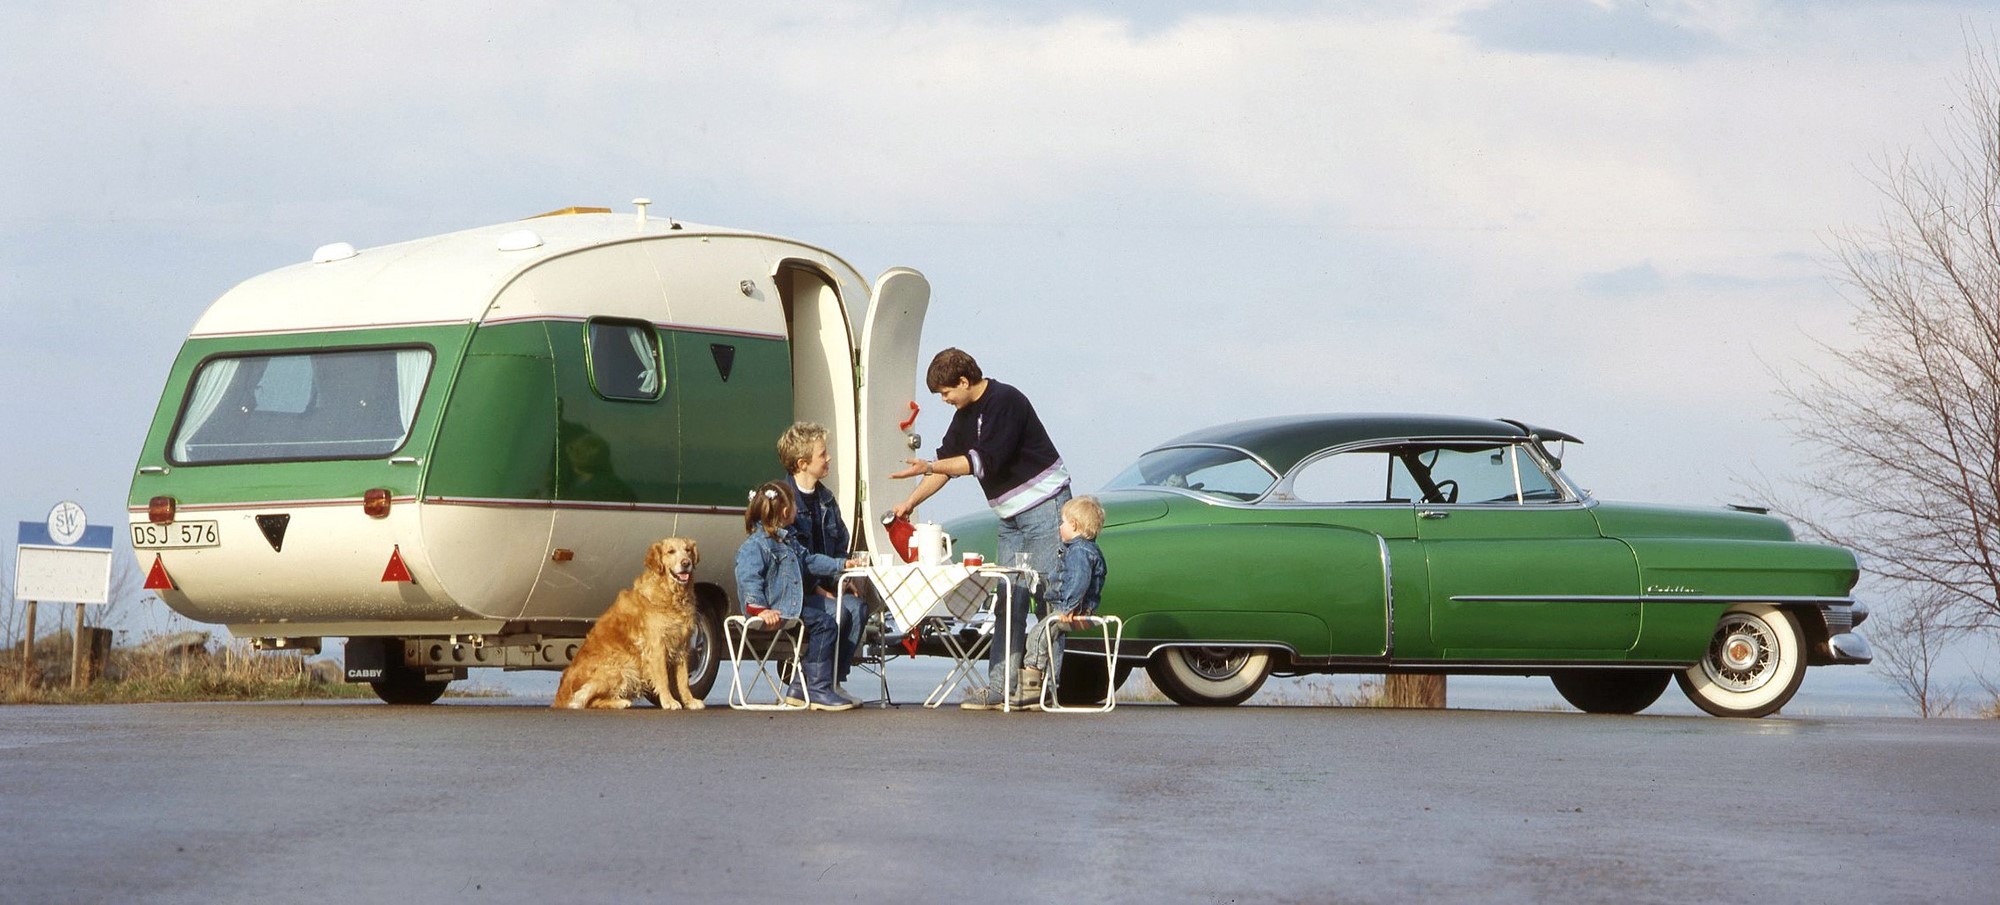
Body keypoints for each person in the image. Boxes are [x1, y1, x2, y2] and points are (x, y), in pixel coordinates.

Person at [890, 348, 1070, 710]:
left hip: (1045, 507)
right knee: (1009, 598)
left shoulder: (1006, 401)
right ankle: (1001, 689)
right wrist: (909, 502)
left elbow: (978, 463)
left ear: (963, 381)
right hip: (1010, 516)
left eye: (946, 393)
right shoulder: (963, 414)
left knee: (1048, 595)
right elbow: (944, 464)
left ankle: (1044, 687)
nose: (944, 400)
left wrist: (930, 465)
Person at [735, 480, 863, 711]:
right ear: (786, 511)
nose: (797, 509)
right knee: (825, 625)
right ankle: (816, 687)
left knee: (829, 620)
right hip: (775, 610)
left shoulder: (787, 540)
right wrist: (759, 608)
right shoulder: (756, 545)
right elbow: (748, 579)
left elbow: (810, 561)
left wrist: (841, 564)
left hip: (790, 605)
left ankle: (802, 687)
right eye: (794, 505)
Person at [778, 422, 868, 702]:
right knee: (837, 612)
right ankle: (810, 683)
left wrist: (844, 578)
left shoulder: (826, 499)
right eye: (823, 454)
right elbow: (790, 557)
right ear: (803, 463)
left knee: (857, 608)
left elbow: (840, 543)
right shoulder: (782, 500)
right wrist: (818, 587)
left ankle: (830, 681)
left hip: (824, 587)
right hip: (792, 592)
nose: (828, 458)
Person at [1018, 495, 1108, 709]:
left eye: (1063, 522)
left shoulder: (1079, 552)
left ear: (1074, 525)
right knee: (1048, 637)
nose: (1060, 527)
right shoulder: (1088, 550)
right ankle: (1048, 689)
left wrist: (1068, 607)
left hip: (1071, 609)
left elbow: (1078, 581)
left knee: (1038, 634)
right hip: (1079, 608)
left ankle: (1032, 682)